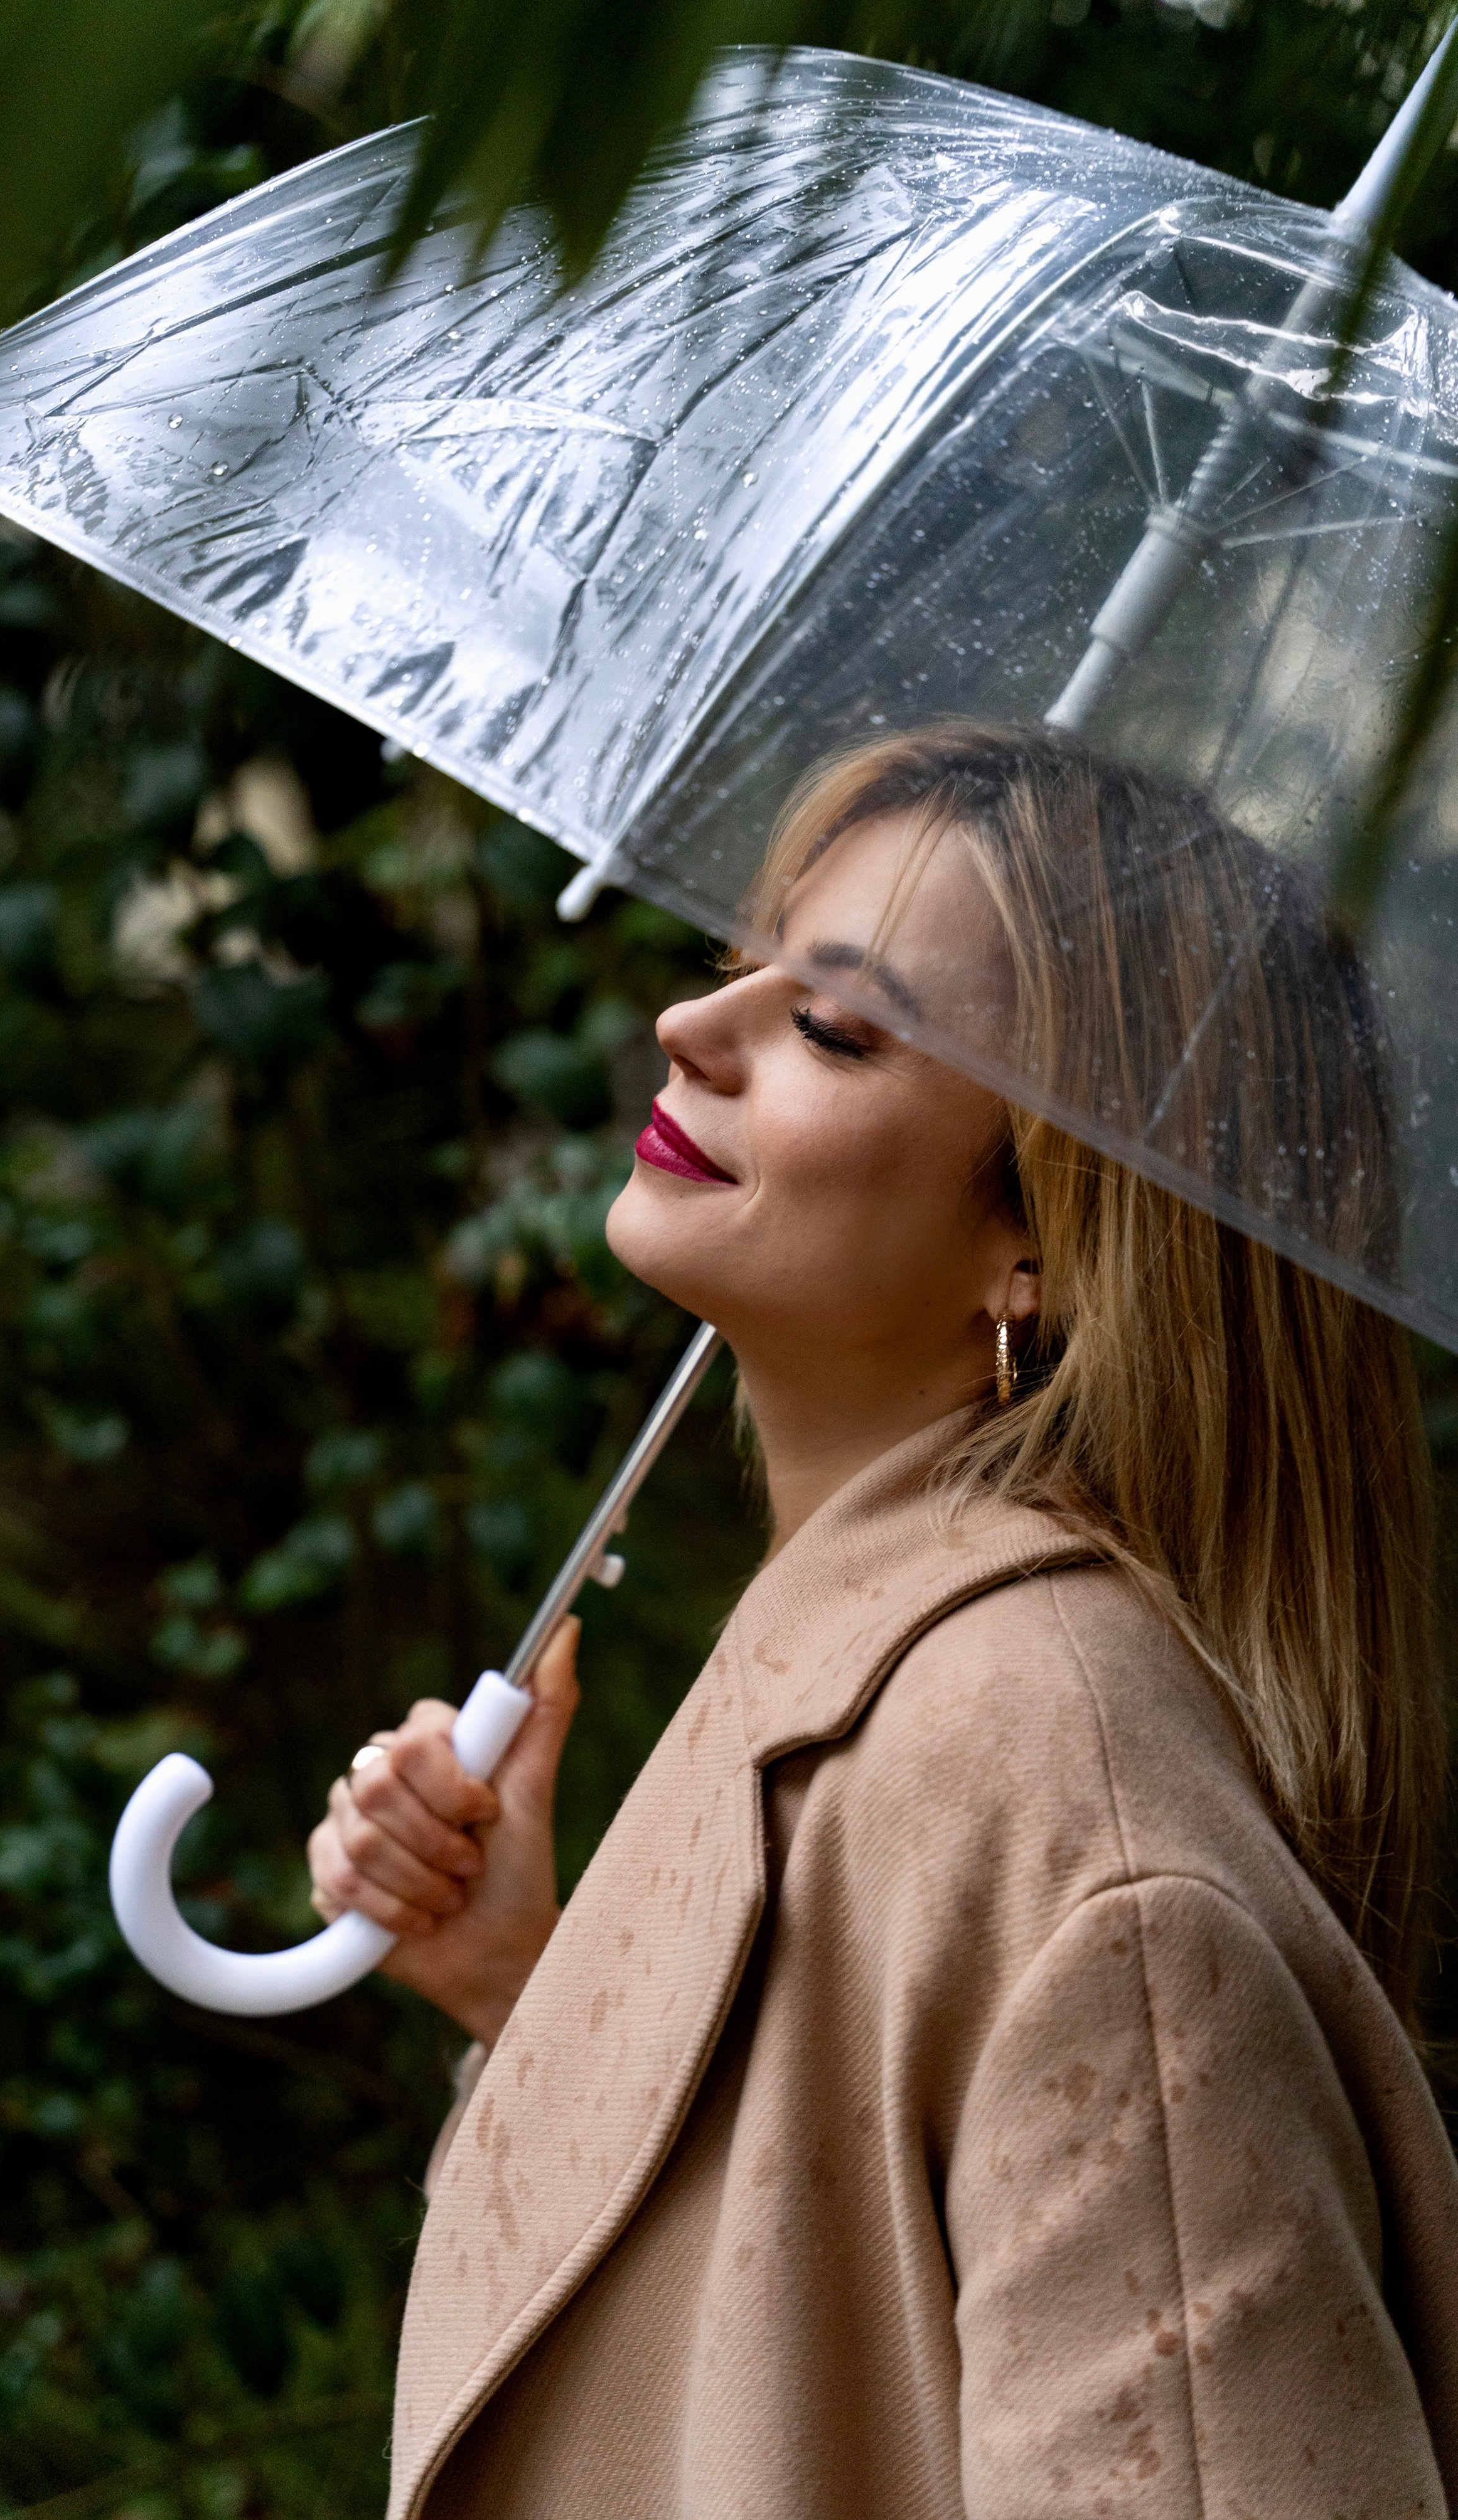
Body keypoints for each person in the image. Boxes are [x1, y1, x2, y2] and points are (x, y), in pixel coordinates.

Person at [308, 722, 1458, 2519]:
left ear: (1050, 1243)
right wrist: (533, 1998)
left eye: (835, 1026)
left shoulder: (1058, 1805)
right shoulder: (864, 1674)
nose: (697, 1030)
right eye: (734, 964)